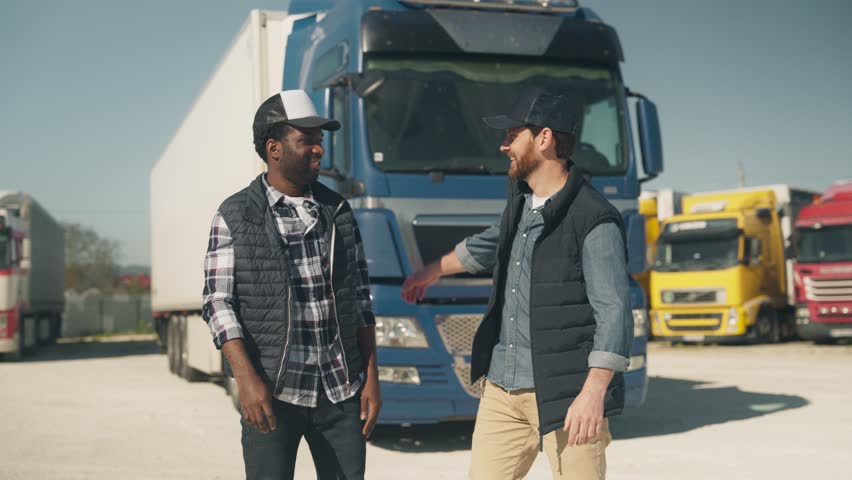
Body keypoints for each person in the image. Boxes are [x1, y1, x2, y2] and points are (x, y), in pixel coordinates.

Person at [401, 87, 633, 480]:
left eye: (512, 135)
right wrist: (433, 270)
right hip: (503, 391)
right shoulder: (522, 204)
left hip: (567, 395)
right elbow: (488, 245)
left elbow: (614, 314)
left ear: (544, 138)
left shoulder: (594, 218)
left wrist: (593, 394)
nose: (503, 144)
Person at [202, 89, 381, 480]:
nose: (318, 149)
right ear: (274, 148)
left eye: (319, 140)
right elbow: (218, 303)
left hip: (339, 390)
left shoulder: (338, 211)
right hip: (272, 393)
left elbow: (360, 300)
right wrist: (247, 381)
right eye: (306, 141)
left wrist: (371, 379)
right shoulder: (234, 214)